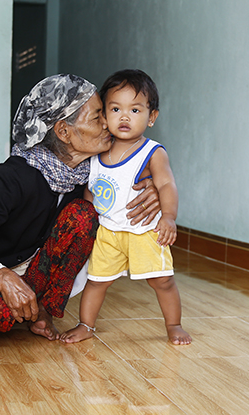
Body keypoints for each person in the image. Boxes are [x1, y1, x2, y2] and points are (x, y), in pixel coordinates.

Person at [0, 74, 161, 344]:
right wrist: (3, 278)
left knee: (84, 215)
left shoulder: (92, 173)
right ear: (64, 132)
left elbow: (128, 172)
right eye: (98, 117)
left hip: (35, 270)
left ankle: (42, 310)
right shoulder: (13, 177)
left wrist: (151, 188)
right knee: (0, 313)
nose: (108, 123)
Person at [60, 69, 191, 345]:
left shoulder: (152, 152)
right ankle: (86, 325)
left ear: (151, 117)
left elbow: (167, 185)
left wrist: (169, 217)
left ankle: (174, 325)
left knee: (162, 281)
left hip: (144, 231)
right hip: (108, 233)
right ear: (104, 116)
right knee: (97, 281)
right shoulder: (96, 152)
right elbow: (91, 191)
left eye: (135, 110)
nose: (124, 117)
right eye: (115, 109)